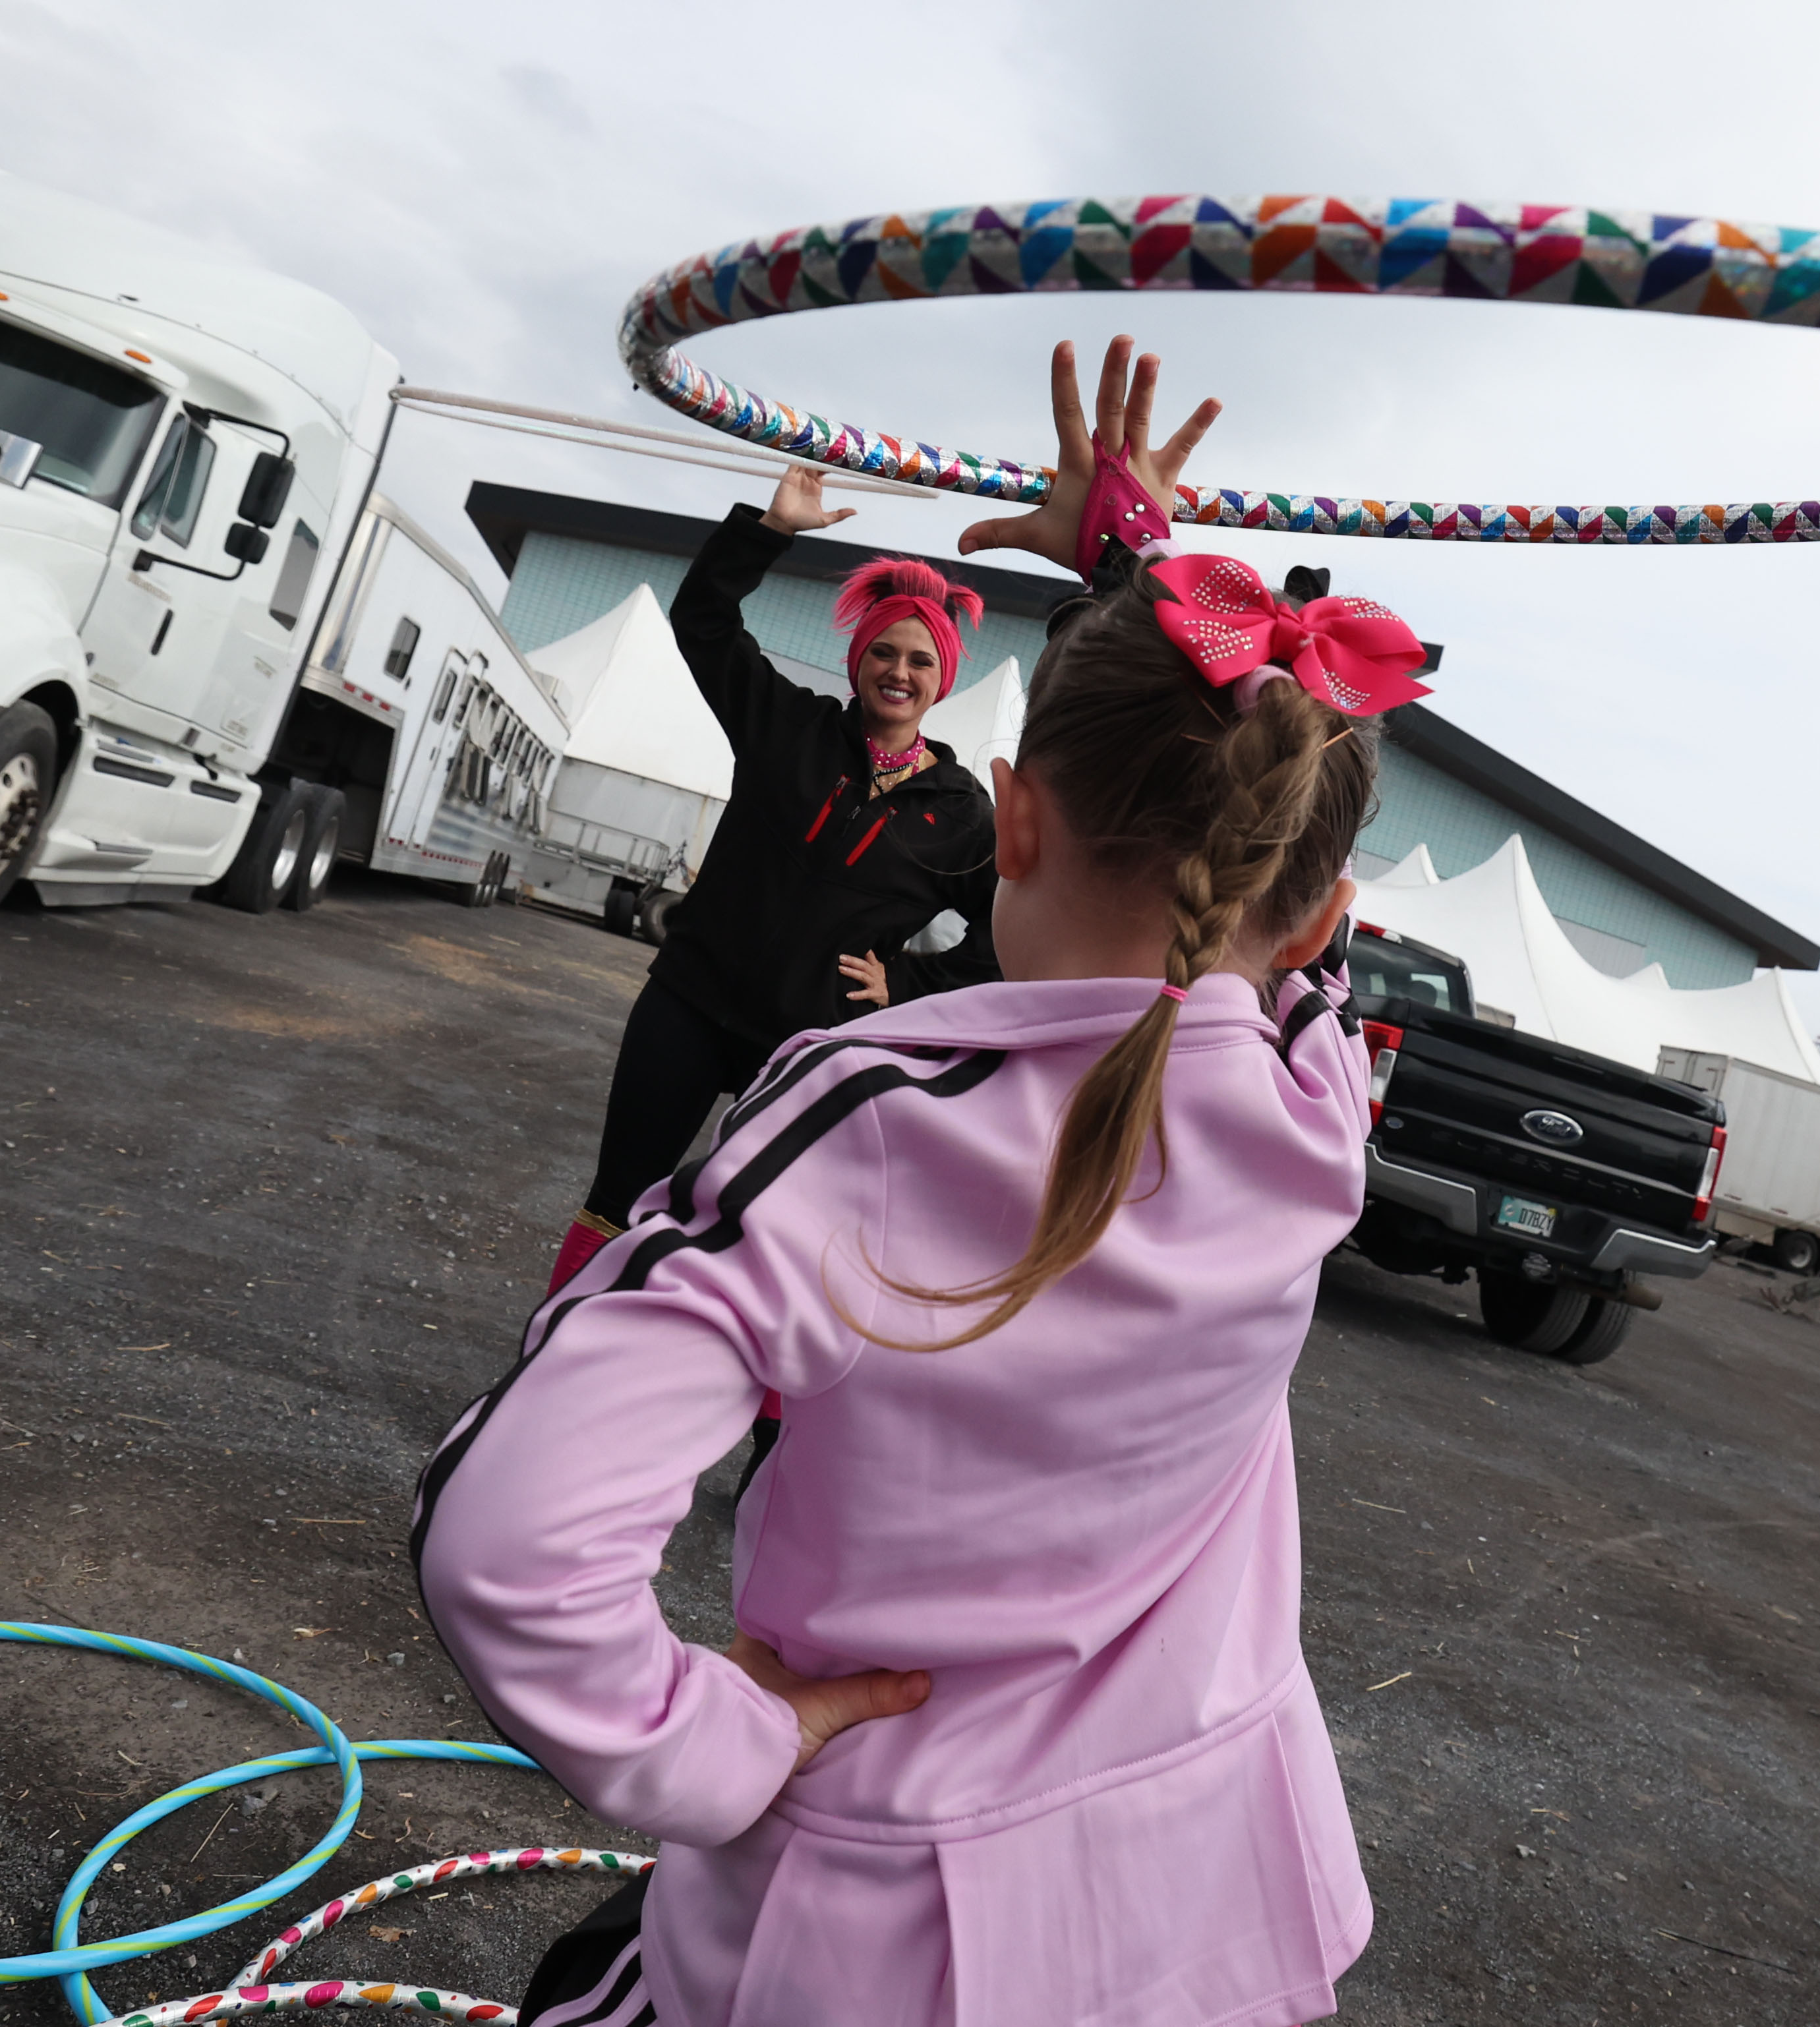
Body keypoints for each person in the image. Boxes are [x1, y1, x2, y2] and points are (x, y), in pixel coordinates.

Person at [413, 336, 1434, 2027]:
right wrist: (1136, 561)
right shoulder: (1320, 1114)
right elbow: (1260, 878)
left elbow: (507, 1547)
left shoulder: (873, 1118)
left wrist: (714, 1738)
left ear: (1008, 820)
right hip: (1201, 1893)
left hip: (884, 1924)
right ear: (1321, 922)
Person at [544, 477, 1003, 1297]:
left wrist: (908, 983)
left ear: (944, 678)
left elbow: (1007, 933)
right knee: (617, 1202)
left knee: (769, 1241)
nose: (898, 671)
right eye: (883, 652)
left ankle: (768, 1428)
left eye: (920, 659)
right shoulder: (786, 726)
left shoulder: (966, 814)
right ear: (856, 659)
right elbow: (705, 624)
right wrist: (768, 532)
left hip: (805, 1049)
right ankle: (555, 1357)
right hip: (689, 1004)